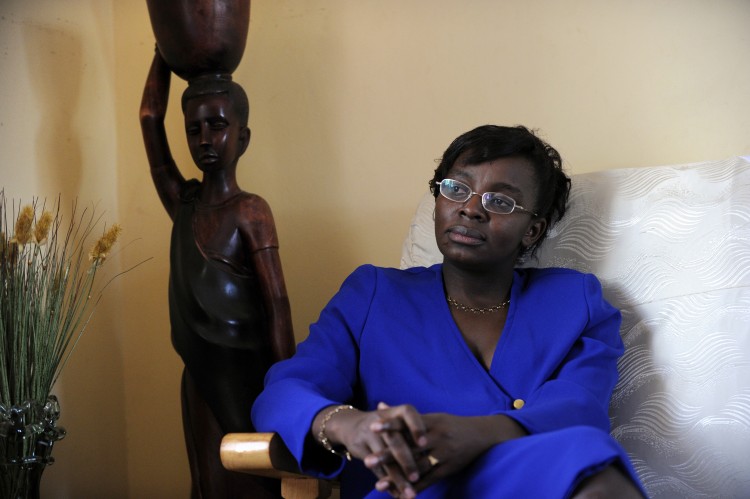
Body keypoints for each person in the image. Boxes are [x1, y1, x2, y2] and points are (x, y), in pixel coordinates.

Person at [251, 125, 646, 498]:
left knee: (593, 464)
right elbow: (283, 392)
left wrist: (480, 433)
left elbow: (579, 409)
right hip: (408, 490)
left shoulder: (575, 301)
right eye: (456, 189)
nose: (471, 209)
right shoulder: (373, 294)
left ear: (533, 230)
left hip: (526, 482)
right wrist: (347, 424)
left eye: (500, 200)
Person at [140, 50, 296, 498]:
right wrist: (164, 53)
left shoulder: (250, 210)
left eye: (218, 125)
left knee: (255, 475)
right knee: (208, 481)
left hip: (249, 376)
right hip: (199, 376)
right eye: (194, 129)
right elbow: (149, 117)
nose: (205, 138)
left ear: (243, 137)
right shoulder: (183, 203)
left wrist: (285, 387)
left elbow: (277, 306)